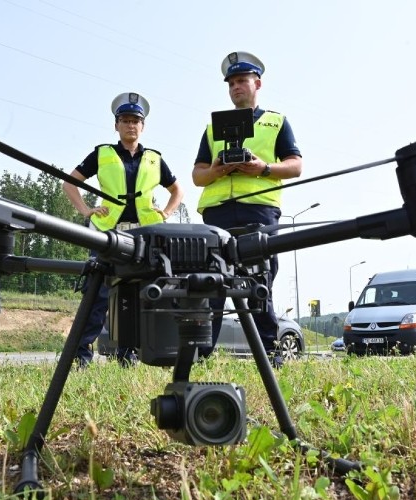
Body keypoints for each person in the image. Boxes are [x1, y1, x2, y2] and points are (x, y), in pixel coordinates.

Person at [192, 51, 303, 365]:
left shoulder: (277, 122)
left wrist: (263, 168)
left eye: (242, 81)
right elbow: (197, 175)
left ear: (258, 83)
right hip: (217, 212)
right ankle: (201, 355)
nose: (236, 87)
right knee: (211, 280)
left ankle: (269, 354)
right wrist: (217, 171)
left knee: (258, 281)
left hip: (259, 211)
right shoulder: (213, 129)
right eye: (231, 83)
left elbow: (296, 166)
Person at [63, 92, 184, 368]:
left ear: (143, 127)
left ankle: (127, 355)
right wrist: (85, 211)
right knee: (97, 295)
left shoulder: (154, 159)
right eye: (125, 120)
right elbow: (70, 183)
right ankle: (81, 356)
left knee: (139, 294)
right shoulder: (102, 154)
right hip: (108, 234)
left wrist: (165, 213)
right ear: (116, 125)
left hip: (143, 236)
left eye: (136, 121)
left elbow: (177, 189)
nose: (131, 125)